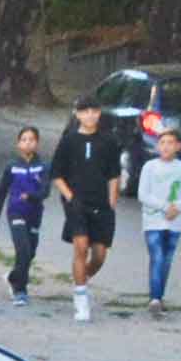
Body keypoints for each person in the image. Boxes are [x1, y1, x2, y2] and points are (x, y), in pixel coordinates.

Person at [44, 99, 129, 324]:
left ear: (99, 113)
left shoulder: (109, 141)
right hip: (76, 203)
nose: (90, 115)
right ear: (77, 114)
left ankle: (81, 279)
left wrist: (112, 202)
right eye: (85, 111)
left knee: (99, 255)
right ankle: (81, 299)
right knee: (80, 246)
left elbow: (114, 174)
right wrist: (70, 197)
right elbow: (56, 174)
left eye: (94, 111)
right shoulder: (69, 140)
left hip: (101, 203)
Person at [135, 138, 181, 308]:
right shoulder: (150, 167)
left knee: (166, 259)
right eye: (162, 143)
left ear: (178, 146)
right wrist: (164, 207)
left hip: (174, 222)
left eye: (170, 143)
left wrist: (178, 207)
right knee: (157, 256)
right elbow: (143, 194)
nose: (166, 147)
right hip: (153, 221)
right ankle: (155, 298)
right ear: (157, 146)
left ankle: (159, 295)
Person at [0, 127, 53, 307]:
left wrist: (32, 196)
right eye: (24, 139)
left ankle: (13, 277)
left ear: (37, 143)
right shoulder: (12, 167)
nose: (28, 143)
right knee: (23, 250)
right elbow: (1, 192)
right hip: (15, 212)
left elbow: (45, 191)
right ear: (18, 144)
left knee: (30, 253)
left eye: (31, 139)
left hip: (34, 215)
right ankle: (20, 290)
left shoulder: (43, 167)